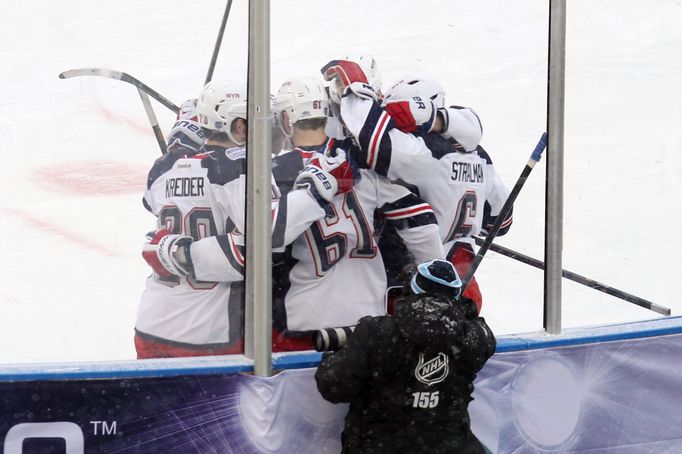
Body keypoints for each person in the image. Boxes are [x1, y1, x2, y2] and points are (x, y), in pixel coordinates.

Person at [135, 80, 352, 359]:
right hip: (206, 334)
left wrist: (182, 147)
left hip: (152, 324)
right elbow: (270, 233)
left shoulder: (163, 167)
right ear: (239, 126)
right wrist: (313, 192)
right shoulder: (240, 167)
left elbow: (150, 201)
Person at [321, 60, 512, 313]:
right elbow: (500, 222)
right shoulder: (480, 156)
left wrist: (356, 90)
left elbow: (378, 144)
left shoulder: (423, 153)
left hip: (420, 291)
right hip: (466, 288)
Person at [269, 75, 445, 351]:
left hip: (306, 319)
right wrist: (438, 279)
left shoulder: (276, 171)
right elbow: (420, 221)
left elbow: (264, 238)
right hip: (367, 319)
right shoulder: (361, 160)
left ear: (287, 120)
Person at [315, 258, 495, 453]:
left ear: (412, 289)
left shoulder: (376, 333)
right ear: (455, 297)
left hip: (377, 446)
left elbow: (333, 386)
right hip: (449, 446)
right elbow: (481, 330)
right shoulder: (473, 336)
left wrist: (335, 357)